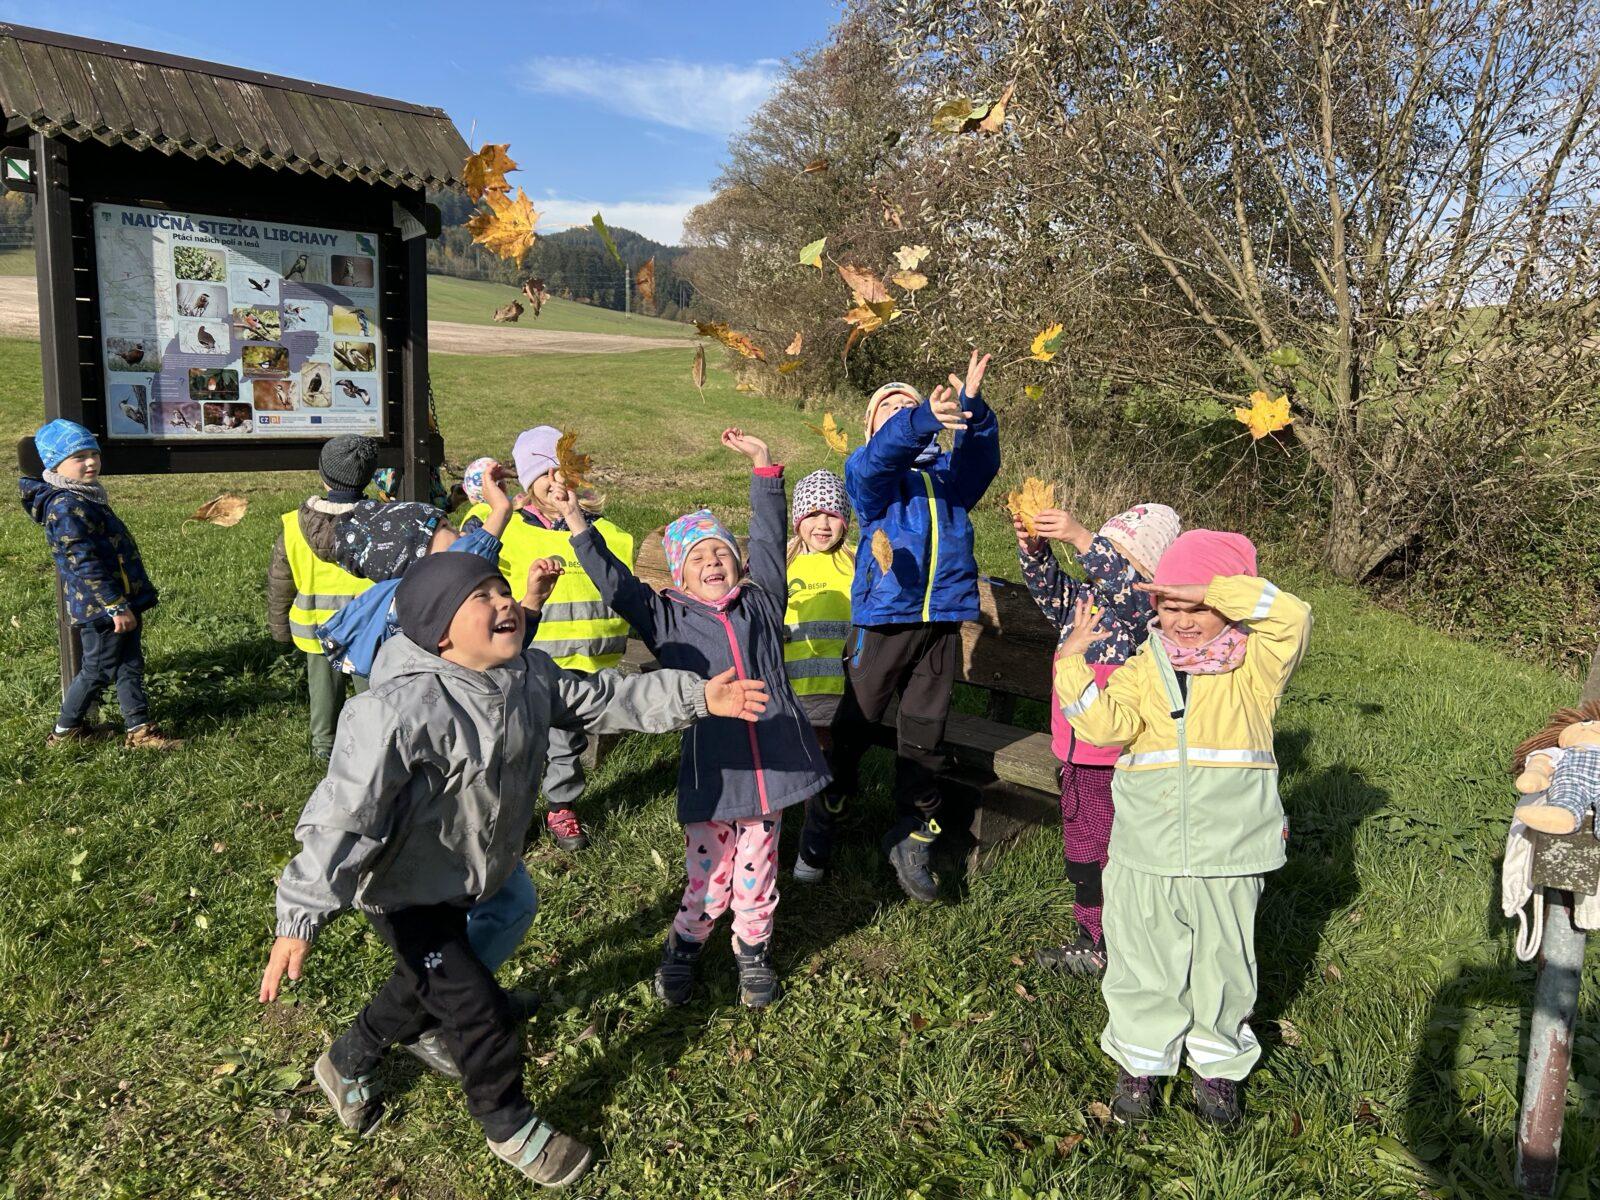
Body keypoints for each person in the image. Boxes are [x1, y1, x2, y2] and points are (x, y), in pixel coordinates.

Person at [259, 551, 770, 1188]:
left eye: (502, 589)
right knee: (477, 1009)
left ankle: (347, 1058)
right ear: (440, 633)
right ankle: (508, 1123)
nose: (505, 601)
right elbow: (343, 816)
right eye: (482, 597)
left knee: (479, 940)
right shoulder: (396, 711)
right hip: (406, 888)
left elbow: (603, 696)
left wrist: (698, 695)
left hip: (479, 868)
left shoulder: (528, 674)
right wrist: (300, 915)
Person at [556, 429, 831, 1009]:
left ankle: (752, 952)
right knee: (709, 877)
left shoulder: (762, 602)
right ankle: (684, 946)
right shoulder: (667, 619)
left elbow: (770, 541)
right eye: (699, 557)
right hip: (714, 774)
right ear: (680, 576)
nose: (712, 562)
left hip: (772, 769)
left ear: (738, 564)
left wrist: (764, 469)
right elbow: (618, 587)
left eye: (721, 553)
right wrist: (578, 524)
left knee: (758, 873)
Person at [1054, 530, 1311, 1125]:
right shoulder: (1143, 668)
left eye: (1197, 605)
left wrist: (1215, 587)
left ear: (1227, 603)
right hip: (1147, 850)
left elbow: (1293, 617)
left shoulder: (1256, 667)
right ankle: (1141, 1060)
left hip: (1230, 852)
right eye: (1169, 605)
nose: (1183, 619)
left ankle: (1217, 1066)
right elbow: (1104, 729)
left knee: (1224, 966)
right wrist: (1072, 664)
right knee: (1144, 962)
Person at [830, 351, 1000, 902]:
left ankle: (913, 829)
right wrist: (919, 417)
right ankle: (831, 794)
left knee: (927, 730)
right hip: (885, 618)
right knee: (858, 718)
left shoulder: (949, 480)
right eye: (893, 408)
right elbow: (881, 458)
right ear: (873, 426)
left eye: (913, 402)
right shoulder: (869, 476)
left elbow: (981, 460)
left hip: (942, 619)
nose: (907, 410)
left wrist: (972, 407)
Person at [1016, 502, 1179, 974]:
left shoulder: (1143, 612)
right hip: (1075, 756)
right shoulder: (1082, 601)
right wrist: (1035, 550)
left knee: (1113, 852)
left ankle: (1121, 940)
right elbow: (1047, 588)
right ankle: (1094, 936)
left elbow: (1127, 589)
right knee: (1084, 853)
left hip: (1114, 760)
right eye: (1105, 550)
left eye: (1116, 554)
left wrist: (1083, 538)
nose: (1102, 562)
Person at [461, 427, 636, 852]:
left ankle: (561, 804)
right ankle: (508, 813)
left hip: (582, 664)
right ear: (527, 480)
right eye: (544, 473)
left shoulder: (603, 532)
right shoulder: (509, 529)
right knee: (514, 742)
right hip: (523, 661)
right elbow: (469, 568)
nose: (556, 481)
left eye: (563, 472)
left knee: (567, 742)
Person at [20, 419, 180, 749]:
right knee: (97, 670)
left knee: (129, 665)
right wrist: (115, 605)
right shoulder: (66, 505)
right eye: (79, 457)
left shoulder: (86, 496)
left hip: (120, 600)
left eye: (93, 454)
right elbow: (82, 562)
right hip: (102, 607)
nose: (91, 462)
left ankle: (139, 730)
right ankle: (65, 732)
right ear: (55, 464)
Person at [266, 435, 378, 761]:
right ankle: (375, 746)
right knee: (373, 692)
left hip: (317, 627)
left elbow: (281, 582)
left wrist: (279, 628)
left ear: (322, 475)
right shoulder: (383, 522)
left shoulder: (293, 525)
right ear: (369, 476)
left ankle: (324, 748)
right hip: (368, 629)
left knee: (323, 691)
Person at [784, 469, 858, 882]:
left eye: (832, 514)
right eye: (812, 515)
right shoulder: (784, 564)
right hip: (791, 691)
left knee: (827, 770)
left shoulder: (855, 563)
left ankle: (812, 849)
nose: (823, 524)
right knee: (795, 767)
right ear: (798, 520)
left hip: (839, 692)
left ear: (845, 520)